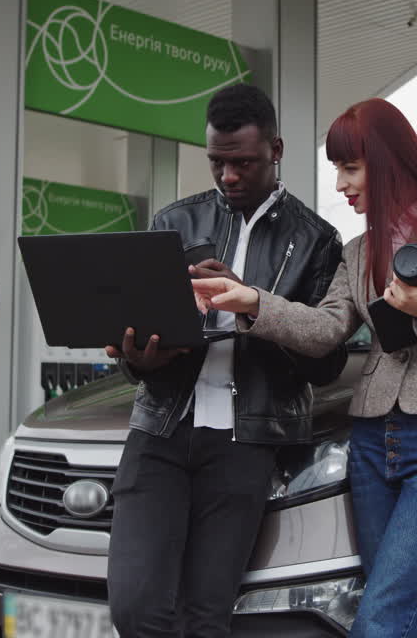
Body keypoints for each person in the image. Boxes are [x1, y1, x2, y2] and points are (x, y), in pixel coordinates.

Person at [192, 97, 417, 638]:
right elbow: (322, 332)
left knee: (382, 621)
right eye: (336, 170)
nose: (340, 185)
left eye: (350, 168)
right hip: (372, 446)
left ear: (387, 161)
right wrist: (250, 299)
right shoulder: (357, 250)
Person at [104, 84, 348, 638]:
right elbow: (137, 354)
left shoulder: (317, 241)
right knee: (136, 607)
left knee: (206, 616)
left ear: (277, 151)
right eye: (217, 162)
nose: (229, 176)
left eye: (243, 162)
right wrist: (140, 358)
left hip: (247, 443)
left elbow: (327, 362)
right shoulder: (173, 223)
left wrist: (253, 305)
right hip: (161, 432)